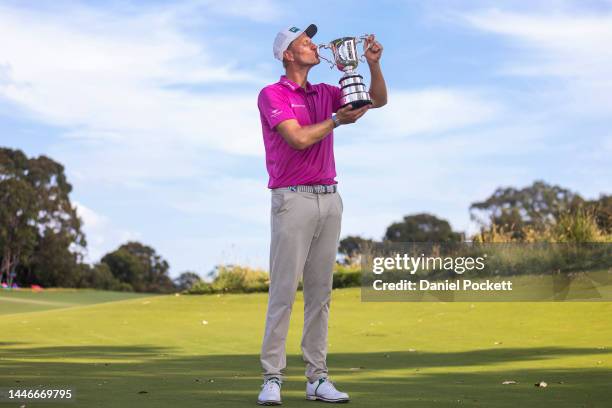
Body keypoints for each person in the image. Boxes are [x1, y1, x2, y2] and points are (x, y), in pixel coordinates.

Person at [256, 23, 387, 405]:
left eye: (312, 40)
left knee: (320, 294)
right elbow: (296, 138)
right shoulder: (272, 94)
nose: (314, 45)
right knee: (283, 292)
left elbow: (375, 102)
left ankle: (317, 378)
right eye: (305, 42)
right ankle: (272, 378)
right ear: (288, 54)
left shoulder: (326, 91)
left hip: (329, 198)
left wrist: (371, 67)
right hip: (291, 199)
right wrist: (335, 121)